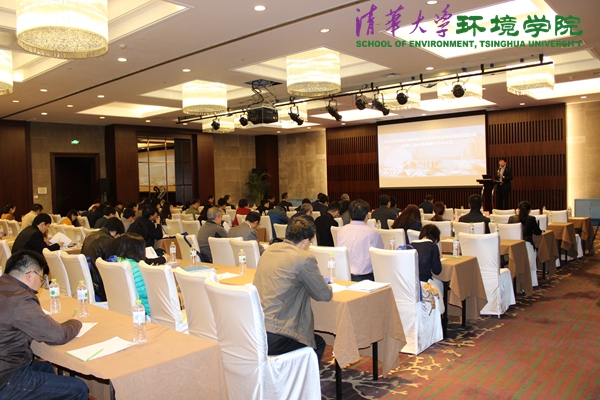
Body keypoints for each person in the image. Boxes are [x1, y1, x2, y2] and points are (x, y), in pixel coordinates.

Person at [0, 250, 88, 400]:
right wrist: (76, 322)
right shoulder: (21, 299)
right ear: (30, 275)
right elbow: (57, 335)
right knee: (78, 388)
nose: (41, 285)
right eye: (41, 279)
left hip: (5, 365)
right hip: (6, 377)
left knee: (45, 368)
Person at [253, 217, 333, 362]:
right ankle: (303, 376)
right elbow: (324, 295)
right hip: (277, 333)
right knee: (318, 343)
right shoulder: (304, 257)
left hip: (256, 328)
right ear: (306, 241)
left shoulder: (269, 251)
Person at [337, 199, 384, 281]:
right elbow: (380, 254)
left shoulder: (341, 231)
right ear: (366, 216)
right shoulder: (373, 233)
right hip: (365, 278)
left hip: (341, 276)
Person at [81, 218, 125, 302]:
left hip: (88, 278)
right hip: (99, 284)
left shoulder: (89, 235)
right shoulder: (109, 240)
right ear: (114, 232)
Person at [111, 233, 151, 316]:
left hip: (121, 308)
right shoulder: (135, 268)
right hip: (144, 311)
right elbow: (145, 293)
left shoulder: (116, 262)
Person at [410, 224, 444, 313]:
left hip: (411, 283)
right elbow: (437, 271)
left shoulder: (410, 245)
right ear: (435, 238)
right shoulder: (433, 246)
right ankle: (440, 314)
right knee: (441, 284)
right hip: (425, 284)